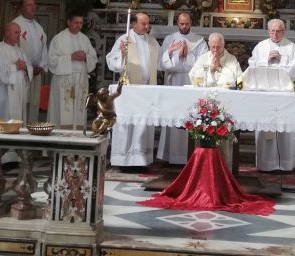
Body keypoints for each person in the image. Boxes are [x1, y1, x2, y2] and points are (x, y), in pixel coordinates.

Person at [247, 19, 295, 171]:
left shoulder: (291, 47)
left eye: (278, 31)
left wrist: (282, 59)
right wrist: (266, 60)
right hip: (265, 93)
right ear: (268, 31)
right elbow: (252, 65)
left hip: (284, 94)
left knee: (285, 127)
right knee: (266, 126)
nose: (275, 34)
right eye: (272, 31)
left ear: (283, 32)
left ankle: (286, 163)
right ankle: (266, 163)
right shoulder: (261, 46)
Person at [105, 12, 159, 168]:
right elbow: (112, 63)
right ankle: (124, 160)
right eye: (143, 23)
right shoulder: (124, 40)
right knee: (127, 123)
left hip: (147, 88)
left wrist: (171, 53)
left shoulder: (152, 41)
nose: (147, 26)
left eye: (148, 23)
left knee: (143, 123)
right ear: (134, 23)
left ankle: (141, 159)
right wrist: (122, 55)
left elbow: (161, 62)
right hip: (129, 89)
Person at [157, 11, 208, 164]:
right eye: (181, 23)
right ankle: (172, 156)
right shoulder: (169, 39)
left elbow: (204, 64)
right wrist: (174, 54)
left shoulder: (199, 41)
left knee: (190, 116)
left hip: (192, 82)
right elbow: (161, 64)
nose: (184, 26)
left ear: (191, 23)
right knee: (174, 116)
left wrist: (188, 56)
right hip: (173, 81)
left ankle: (191, 155)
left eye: (186, 23)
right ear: (177, 23)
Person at [48, 13, 97, 129]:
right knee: (63, 108)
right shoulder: (58, 39)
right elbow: (51, 61)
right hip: (64, 79)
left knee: (79, 109)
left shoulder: (84, 39)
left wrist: (86, 57)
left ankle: (77, 133)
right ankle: (60, 134)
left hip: (80, 80)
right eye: (76, 22)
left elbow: (93, 58)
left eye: (81, 23)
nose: (78, 25)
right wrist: (71, 57)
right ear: (68, 22)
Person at [13, 0, 48, 122]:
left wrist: (41, 66)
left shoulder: (39, 27)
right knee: (22, 102)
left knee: (34, 103)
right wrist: (28, 67)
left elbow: (44, 48)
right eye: (29, 5)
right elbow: (12, 48)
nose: (33, 7)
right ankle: (19, 127)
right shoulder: (15, 25)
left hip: (36, 73)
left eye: (34, 4)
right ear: (22, 8)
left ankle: (31, 127)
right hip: (22, 72)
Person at [0, 22, 32, 122]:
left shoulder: (20, 50)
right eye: (16, 32)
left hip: (18, 92)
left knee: (16, 121)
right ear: (7, 33)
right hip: (4, 94)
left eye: (19, 33)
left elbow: (28, 66)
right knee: (4, 120)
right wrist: (15, 67)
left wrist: (25, 67)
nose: (19, 35)